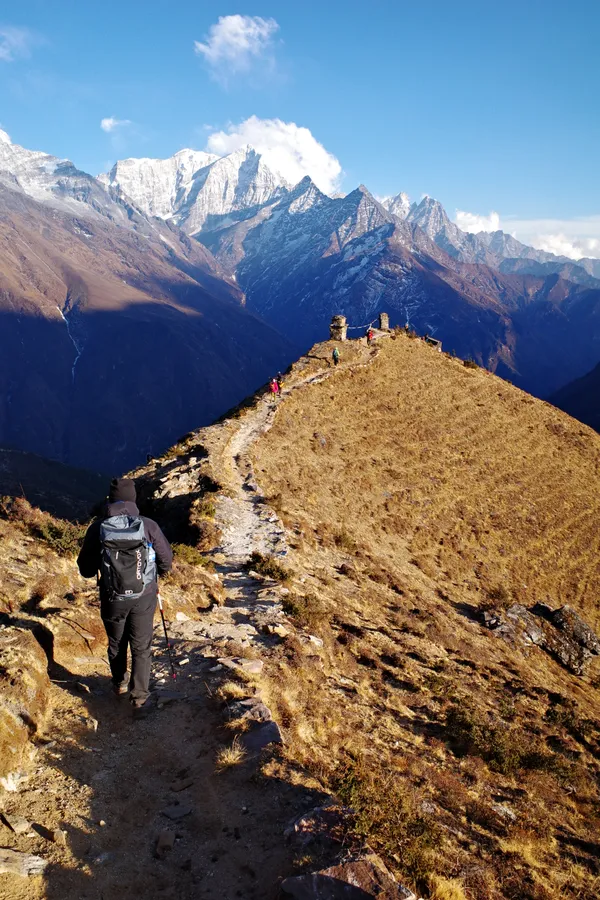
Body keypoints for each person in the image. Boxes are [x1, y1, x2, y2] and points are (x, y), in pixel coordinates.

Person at [77, 477, 173, 717]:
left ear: (110, 500)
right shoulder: (148, 525)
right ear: (133, 500)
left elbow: (85, 569)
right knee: (141, 646)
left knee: (116, 642)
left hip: (112, 596)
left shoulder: (98, 528)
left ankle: (120, 683)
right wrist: (155, 575)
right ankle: (139, 700)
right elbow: (167, 561)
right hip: (145, 595)